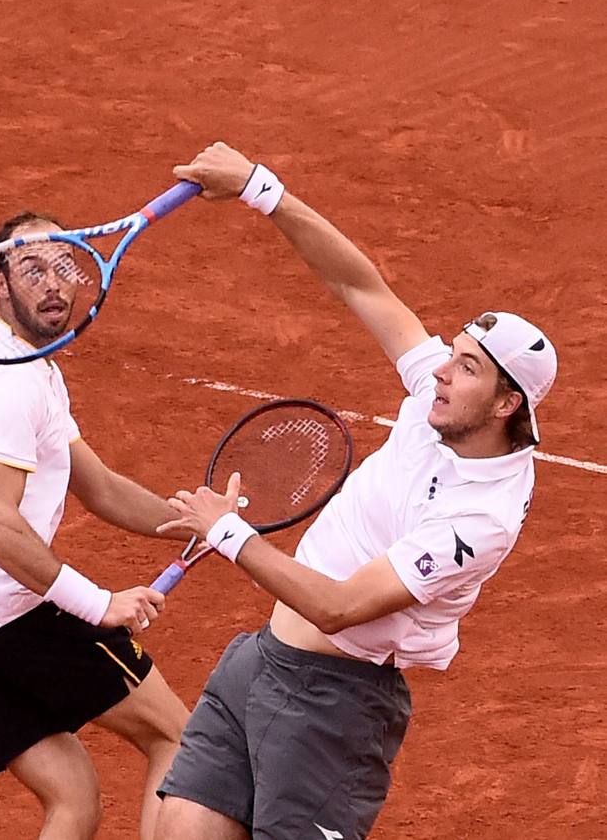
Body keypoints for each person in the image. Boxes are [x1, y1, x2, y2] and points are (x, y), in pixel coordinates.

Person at [151, 143, 559, 840]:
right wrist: (260, 187)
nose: (441, 372)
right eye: (452, 353)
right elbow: (363, 286)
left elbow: (338, 608)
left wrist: (228, 533)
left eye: (464, 366)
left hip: (331, 705)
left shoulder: (480, 519)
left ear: (503, 406)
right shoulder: (444, 409)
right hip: (262, 663)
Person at [0, 211, 193, 840]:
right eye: (32, 268)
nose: (53, 283)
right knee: (177, 736)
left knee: (75, 798)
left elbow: (101, 487)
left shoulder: (27, 366)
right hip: (0, 620)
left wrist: (195, 523)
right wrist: (98, 604)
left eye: (64, 265)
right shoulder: (9, 386)